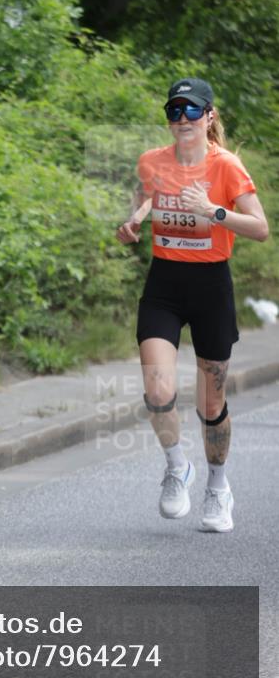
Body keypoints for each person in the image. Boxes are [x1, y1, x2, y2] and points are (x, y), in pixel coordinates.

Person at [116, 78, 269, 532]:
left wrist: (214, 211)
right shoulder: (151, 161)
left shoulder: (227, 167)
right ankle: (176, 467)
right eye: (174, 111)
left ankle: (218, 487)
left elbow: (260, 228)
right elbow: (145, 198)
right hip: (164, 281)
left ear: (210, 117)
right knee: (158, 390)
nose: (182, 119)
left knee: (210, 401)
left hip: (210, 286)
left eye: (191, 111)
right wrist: (133, 222)